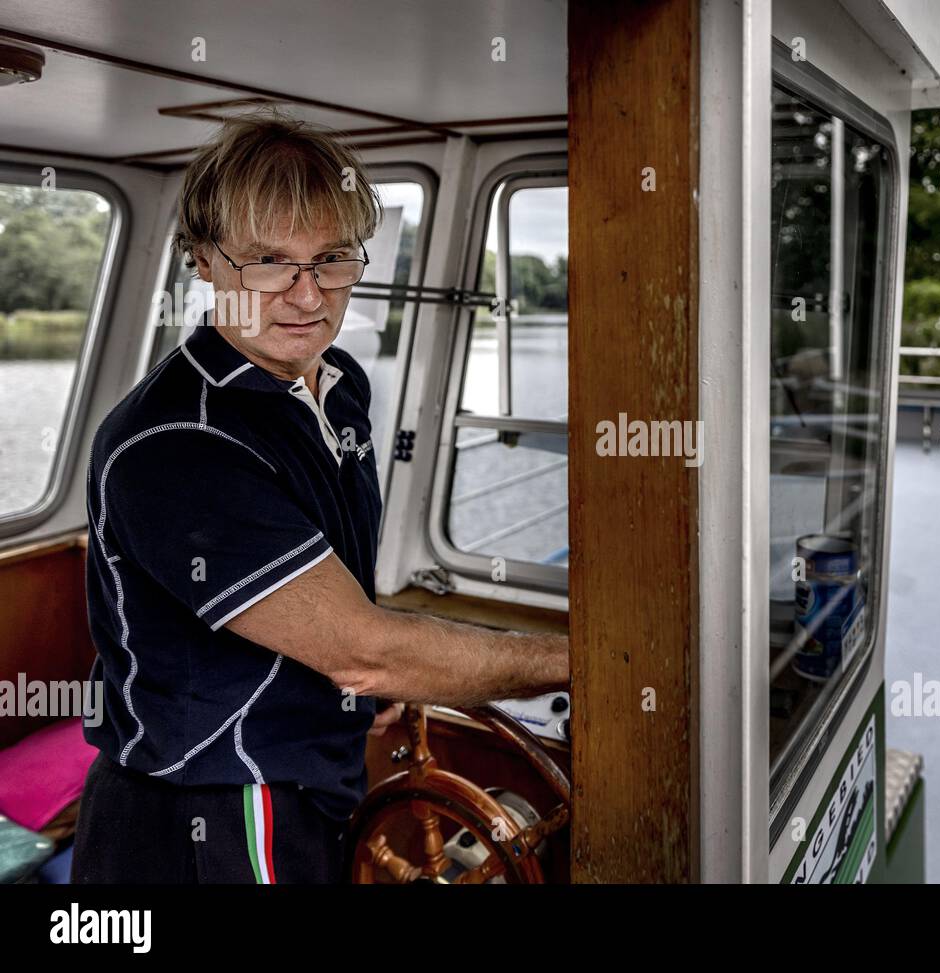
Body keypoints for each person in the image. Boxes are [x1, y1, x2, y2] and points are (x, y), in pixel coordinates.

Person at [71, 113, 569, 884]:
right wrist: (580, 660)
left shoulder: (338, 387)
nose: (308, 296)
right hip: (213, 807)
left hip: (313, 774)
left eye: (332, 259)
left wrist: (360, 695)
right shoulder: (175, 446)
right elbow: (360, 648)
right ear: (203, 261)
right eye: (270, 262)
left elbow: (335, 601)